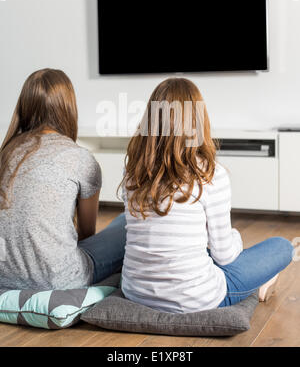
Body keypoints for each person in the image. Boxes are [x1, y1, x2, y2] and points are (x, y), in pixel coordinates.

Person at [120, 77, 293, 313]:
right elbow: (225, 257)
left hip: (134, 292)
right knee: (282, 246)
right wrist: (236, 237)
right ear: (198, 121)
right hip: (196, 299)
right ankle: (259, 282)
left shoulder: (133, 170)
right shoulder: (210, 174)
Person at [0, 68, 126, 290]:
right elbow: (87, 234)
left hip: (4, 278)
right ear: (67, 107)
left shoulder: (6, 154)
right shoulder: (80, 159)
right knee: (125, 222)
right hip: (60, 280)